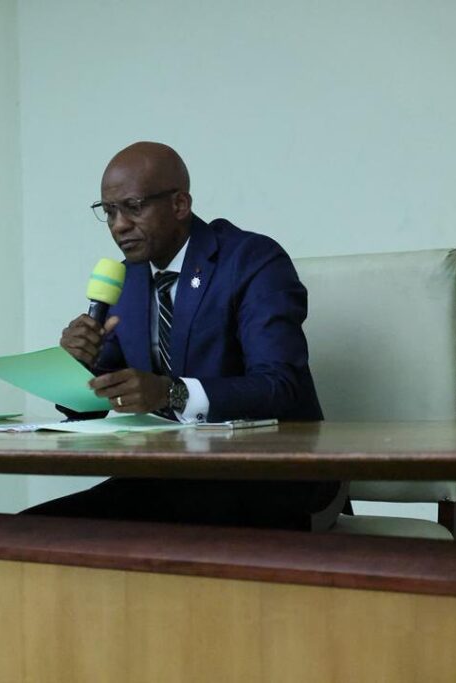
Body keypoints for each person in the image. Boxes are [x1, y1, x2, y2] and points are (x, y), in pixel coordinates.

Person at [23, 142, 344, 531]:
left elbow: (280, 386)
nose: (119, 225)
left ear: (179, 204)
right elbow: (92, 406)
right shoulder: (127, 281)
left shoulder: (252, 260)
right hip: (172, 476)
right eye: (108, 211)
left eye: (133, 207)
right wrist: (77, 366)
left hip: (273, 478)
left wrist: (170, 393)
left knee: (149, 532)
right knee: (34, 531)